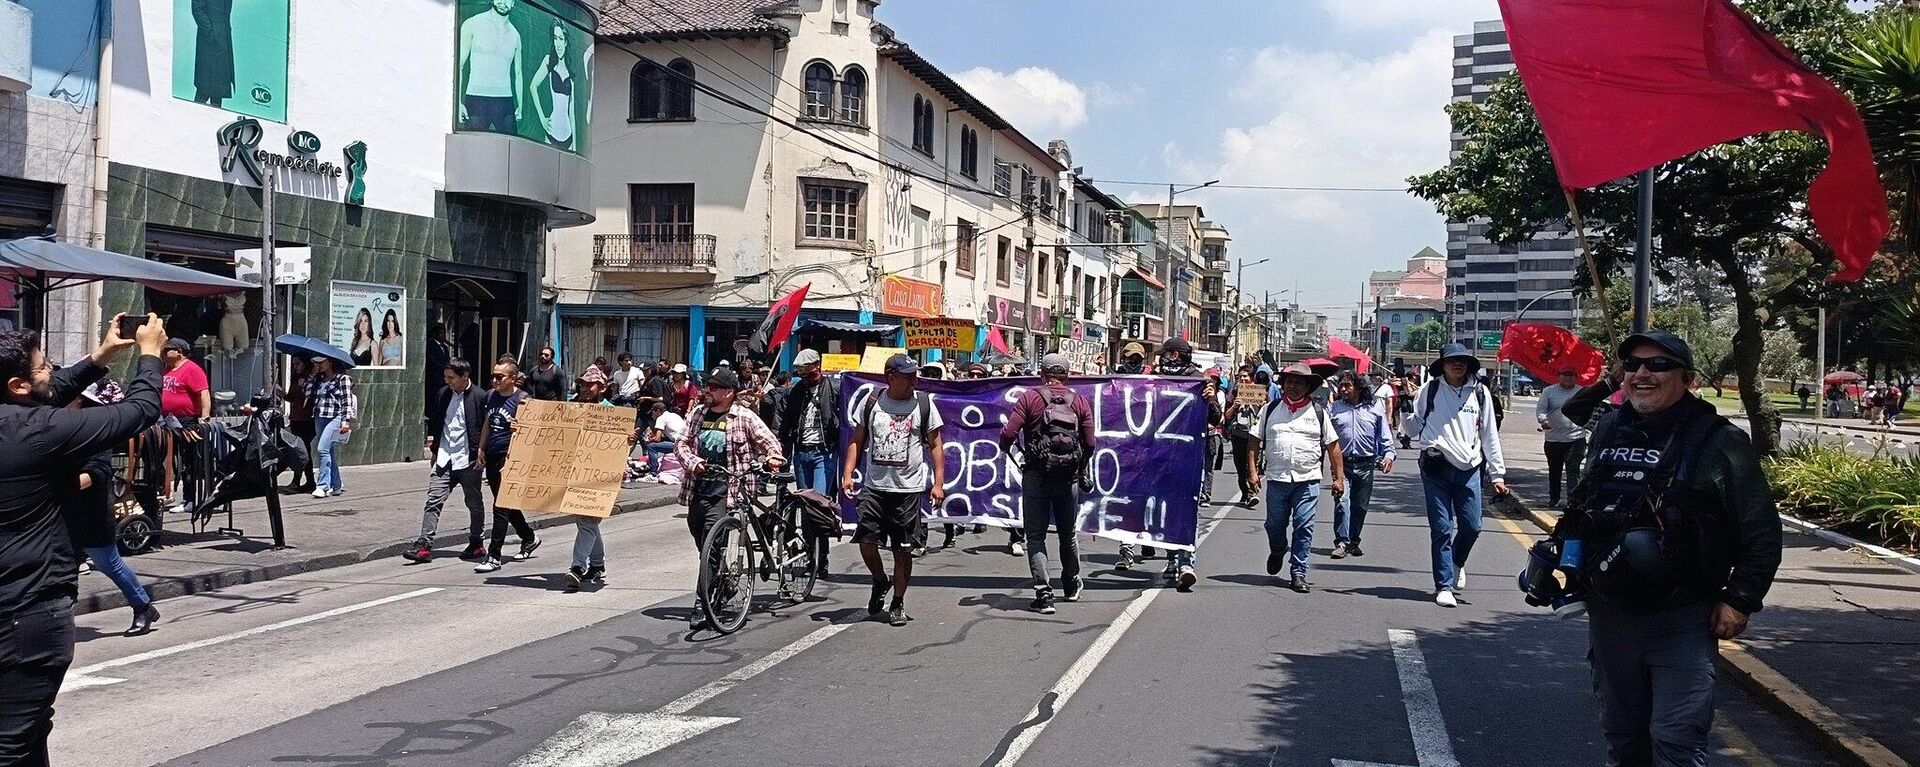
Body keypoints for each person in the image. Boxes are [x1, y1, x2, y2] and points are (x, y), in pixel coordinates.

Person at [1561, 330, 1781, 767]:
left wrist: (1741, 599)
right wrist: (1557, 554)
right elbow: (1584, 502)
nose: (1643, 373)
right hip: (1610, 613)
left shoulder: (1717, 439)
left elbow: (1760, 529)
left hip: (1682, 616)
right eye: (1634, 365)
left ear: (1687, 378)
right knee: (1623, 739)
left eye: (1659, 365)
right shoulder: (1611, 426)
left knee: (1676, 739)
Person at [0, 314, 166, 763]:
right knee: (13, 745)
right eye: (43, 366)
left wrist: (102, 355)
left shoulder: (24, 417)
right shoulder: (37, 430)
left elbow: (50, 388)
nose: (53, 371)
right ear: (17, 386)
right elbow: (139, 412)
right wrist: (149, 355)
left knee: (29, 735)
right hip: (27, 614)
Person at [674, 368, 785, 626]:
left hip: (729, 492)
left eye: (714, 386)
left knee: (712, 547)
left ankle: (703, 602)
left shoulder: (744, 417)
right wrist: (694, 462)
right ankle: (722, 581)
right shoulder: (698, 414)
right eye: (707, 385)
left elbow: (770, 443)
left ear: (728, 392)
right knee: (703, 543)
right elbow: (681, 444)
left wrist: (772, 458)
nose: (708, 390)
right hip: (699, 489)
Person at [841, 355, 945, 626]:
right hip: (874, 487)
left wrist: (937, 484)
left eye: (915, 375)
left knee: (903, 550)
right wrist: (847, 473)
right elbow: (856, 440)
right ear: (890, 376)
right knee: (865, 542)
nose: (914, 380)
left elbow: (936, 446)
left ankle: (898, 602)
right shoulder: (872, 402)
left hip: (908, 491)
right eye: (908, 375)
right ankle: (880, 580)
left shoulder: (924, 405)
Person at [1405, 343, 1508, 608]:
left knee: (1472, 526)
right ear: (1443, 365)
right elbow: (1413, 427)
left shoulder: (1480, 393)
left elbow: (1489, 436)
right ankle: (1444, 586)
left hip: (1470, 467)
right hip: (1435, 467)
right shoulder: (1431, 390)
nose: (1457, 365)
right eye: (1452, 361)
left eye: (1462, 361)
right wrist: (1405, 406)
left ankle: (1457, 562)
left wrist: (1497, 474)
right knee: (1441, 527)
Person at [1000, 353, 1098, 612]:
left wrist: (1007, 446)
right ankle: (1070, 583)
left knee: (1035, 536)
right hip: (1068, 478)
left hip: (1036, 475)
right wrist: (1080, 466)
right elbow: (1090, 443)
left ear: (1041, 374)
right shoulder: (1080, 401)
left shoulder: (1030, 398)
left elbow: (1009, 433)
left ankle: (1044, 594)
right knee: (1068, 534)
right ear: (1067, 376)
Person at [65, 379, 160, 636]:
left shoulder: (96, 434)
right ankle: (57, 620)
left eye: (70, 399)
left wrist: (56, 486)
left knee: (108, 563)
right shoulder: (59, 428)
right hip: (60, 514)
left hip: (91, 510)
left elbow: (95, 474)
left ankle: (142, 606)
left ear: (83, 403)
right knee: (60, 567)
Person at [1257, 363, 1343, 593]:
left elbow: (1333, 446)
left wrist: (1338, 478)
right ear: (1283, 384)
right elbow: (1254, 440)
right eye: (1290, 381)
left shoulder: (1318, 413)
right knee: (1274, 525)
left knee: (1304, 526)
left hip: (1308, 480)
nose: (1293, 386)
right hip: (1277, 479)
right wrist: (1253, 473)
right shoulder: (1270, 409)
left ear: (1308, 387)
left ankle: (1298, 572)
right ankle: (1278, 550)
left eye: (1299, 383)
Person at [402, 359, 491, 563]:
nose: (447, 381)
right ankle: (424, 545)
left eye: (451, 377)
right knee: (433, 500)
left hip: (468, 460)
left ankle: (477, 542)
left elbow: (485, 427)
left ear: (465, 376)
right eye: (446, 377)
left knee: (474, 503)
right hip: (445, 458)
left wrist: (482, 452)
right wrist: (434, 451)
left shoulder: (479, 396)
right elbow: (437, 423)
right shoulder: (443, 394)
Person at [474, 360, 540, 573]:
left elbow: (534, 432)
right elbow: (487, 423)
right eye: (492, 376)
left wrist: (520, 428)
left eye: (499, 377)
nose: (494, 380)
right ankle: (529, 537)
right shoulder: (491, 396)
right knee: (506, 503)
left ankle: (494, 555)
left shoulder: (522, 399)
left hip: (510, 458)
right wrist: (481, 448)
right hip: (493, 455)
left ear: (513, 379)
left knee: (500, 507)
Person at [562, 367, 616, 591]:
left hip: (601, 476)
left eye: (589, 384)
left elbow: (621, 444)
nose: (584, 388)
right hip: (577, 472)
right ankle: (597, 564)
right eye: (582, 384)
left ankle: (577, 567)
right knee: (586, 521)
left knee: (587, 522)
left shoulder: (612, 413)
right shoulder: (574, 408)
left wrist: (630, 438)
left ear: (602, 387)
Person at [1329, 373, 1393, 559]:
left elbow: (1384, 435)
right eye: (1341, 385)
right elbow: (1326, 438)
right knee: (1342, 501)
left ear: (1358, 387)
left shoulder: (1374, 408)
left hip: (1366, 463)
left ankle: (1353, 541)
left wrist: (1388, 455)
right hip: (1342, 465)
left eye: (1347, 385)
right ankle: (1342, 542)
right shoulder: (1334, 409)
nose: (1343, 389)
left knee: (1360, 506)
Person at [160, 338, 211, 513]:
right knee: (163, 457)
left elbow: (204, 394)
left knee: (188, 461)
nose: (164, 353)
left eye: (168, 350)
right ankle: (165, 493)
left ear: (179, 352)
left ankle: (190, 499)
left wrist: (204, 418)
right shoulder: (166, 369)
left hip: (186, 421)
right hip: (167, 420)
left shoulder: (191, 369)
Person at [457, 0, 524, 133]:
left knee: (511, 149)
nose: (503, 2)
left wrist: (520, 106)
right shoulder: (473, 24)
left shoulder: (515, 36)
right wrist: (457, 102)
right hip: (476, 98)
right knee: (474, 148)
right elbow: (459, 65)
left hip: (505, 101)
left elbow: (518, 73)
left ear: (513, 3)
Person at [1536, 368, 1591, 509]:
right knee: (1555, 471)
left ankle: (1573, 501)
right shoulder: (1549, 392)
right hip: (1553, 439)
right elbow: (1541, 409)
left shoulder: (1582, 392)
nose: (1568, 378)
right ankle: (1554, 498)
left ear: (1576, 377)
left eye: (1571, 375)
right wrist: (1543, 421)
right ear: (1559, 376)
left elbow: (1590, 411)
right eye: (1564, 375)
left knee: (1573, 471)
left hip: (1576, 438)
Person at [305, 356, 356, 498]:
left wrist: (345, 420)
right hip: (320, 416)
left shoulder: (342, 379)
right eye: (316, 363)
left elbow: (347, 401)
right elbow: (307, 393)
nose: (318, 365)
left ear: (331, 362)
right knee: (329, 451)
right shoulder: (318, 379)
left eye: (321, 362)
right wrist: (312, 374)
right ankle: (336, 484)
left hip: (336, 417)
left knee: (322, 449)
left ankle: (322, 486)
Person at [530, 23, 576, 152]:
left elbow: (572, 112)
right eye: (555, 38)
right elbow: (533, 86)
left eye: (561, 38)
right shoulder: (548, 61)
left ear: (566, 42)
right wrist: (542, 118)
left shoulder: (570, 72)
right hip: (552, 133)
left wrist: (575, 148)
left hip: (568, 136)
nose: (558, 43)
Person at [283, 356, 317, 493]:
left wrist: (307, 383)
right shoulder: (296, 378)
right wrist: (282, 393)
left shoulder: (311, 379)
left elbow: (313, 395)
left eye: (298, 364)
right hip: (295, 418)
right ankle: (306, 481)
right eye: (293, 364)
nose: (295, 367)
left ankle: (303, 481)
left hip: (306, 419)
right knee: (301, 450)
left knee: (303, 451)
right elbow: (291, 398)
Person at [640, 400, 685, 477]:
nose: (652, 415)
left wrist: (648, 441)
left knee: (651, 447)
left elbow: (657, 438)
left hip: (678, 444)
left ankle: (653, 471)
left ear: (658, 411)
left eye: (653, 412)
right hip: (685, 442)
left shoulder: (661, 418)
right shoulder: (674, 415)